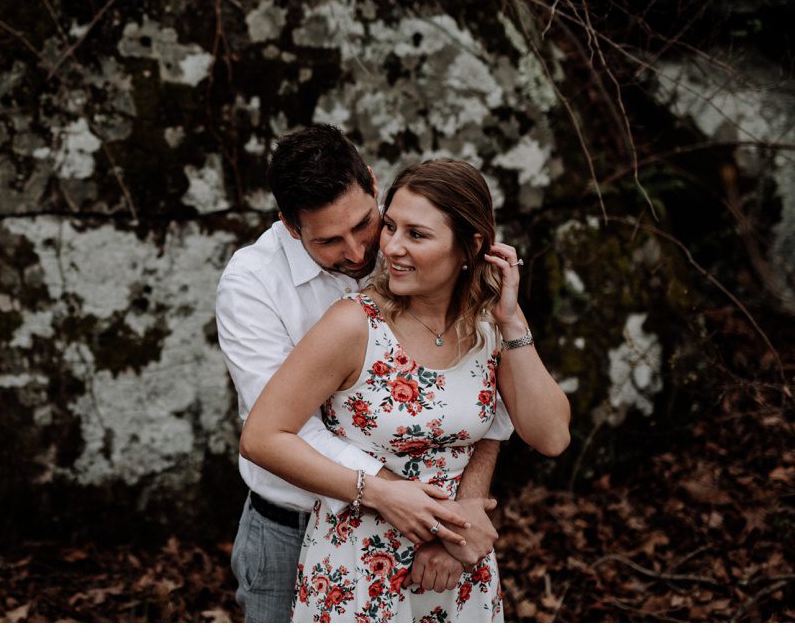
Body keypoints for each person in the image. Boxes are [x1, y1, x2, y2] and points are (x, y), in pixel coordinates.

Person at [240, 158, 571, 622]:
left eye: (416, 234)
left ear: (470, 246)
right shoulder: (353, 324)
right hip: (358, 567)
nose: (389, 247)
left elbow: (551, 435)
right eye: (391, 226)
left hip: (457, 568)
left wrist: (512, 320)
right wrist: (382, 494)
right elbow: (262, 437)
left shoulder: (488, 325)